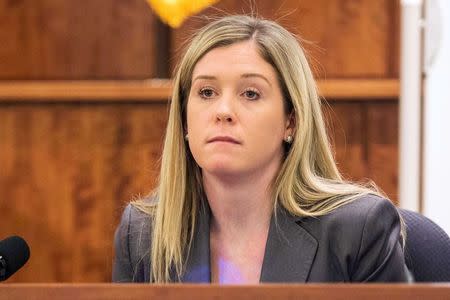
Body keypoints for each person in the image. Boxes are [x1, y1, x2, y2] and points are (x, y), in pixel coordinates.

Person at [112, 15, 409, 284]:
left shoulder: (358, 231)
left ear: (291, 121)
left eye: (250, 93)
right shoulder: (142, 235)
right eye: (206, 92)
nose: (223, 111)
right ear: (185, 121)